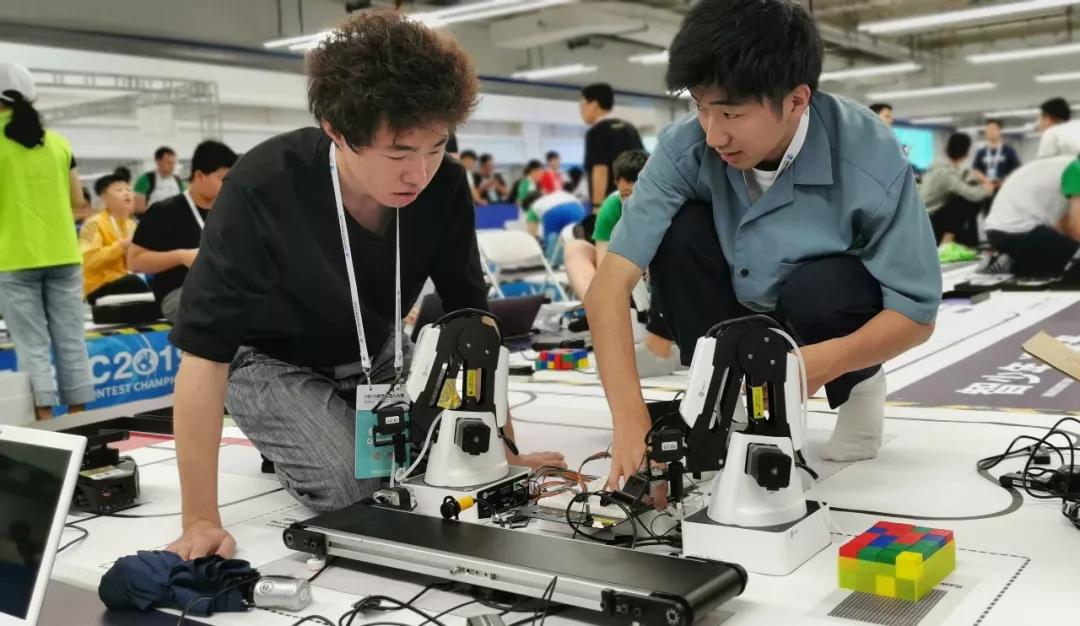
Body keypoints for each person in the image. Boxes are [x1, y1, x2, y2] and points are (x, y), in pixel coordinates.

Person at [164, 9, 563, 561]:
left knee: (444, 465)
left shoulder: (444, 185)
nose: (418, 173)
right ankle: (295, 436)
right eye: (398, 152)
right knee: (355, 490)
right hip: (269, 358)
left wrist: (503, 449)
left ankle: (324, 425)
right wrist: (200, 520)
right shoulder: (265, 186)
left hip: (378, 352)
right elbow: (203, 356)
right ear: (337, 130)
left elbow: (473, 323)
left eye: (435, 147)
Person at [585, 0, 940, 491]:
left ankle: (859, 386)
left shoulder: (870, 157)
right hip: (734, 296)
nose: (714, 134)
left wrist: (828, 360)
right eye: (701, 107)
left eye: (731, 112)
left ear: (796, 101)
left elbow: (916, 313)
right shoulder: (684, 148)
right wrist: (630, 418)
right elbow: (607, 287)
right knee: (678, 232)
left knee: (825, 286)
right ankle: (724, 393)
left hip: (822, 313)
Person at [0, 62, 94, 422]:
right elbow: (77, 199)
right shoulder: (59, 143)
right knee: (72, 340)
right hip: (64, 254)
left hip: (14, 257)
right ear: (32, 97)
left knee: (32, 345)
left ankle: (45, 421)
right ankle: (80, 419)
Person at [565, 149, 681, 377]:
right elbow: (605, 264)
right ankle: (599, 313)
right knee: (576, 248)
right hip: (626, 288)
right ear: (617, 186)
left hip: (662, 288)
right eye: (625, 194)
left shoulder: (668, 202)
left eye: (638, 193)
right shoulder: (611, 208)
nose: (632, 203)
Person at [127, 140, 238, 322]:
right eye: (222, 179)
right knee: (223, 307)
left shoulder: (231, 212)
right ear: (200, 176)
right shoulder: (164, 212)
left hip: (227, 290)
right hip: (181, 293)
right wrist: (181, 256)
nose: (228, 186)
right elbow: (135, 261)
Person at [985, 155, 1080, 277]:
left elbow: (1064, 225)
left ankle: (1012, 257)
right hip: (1018, 231)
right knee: (1073, 261)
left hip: (998, 232)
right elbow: (1077, 224)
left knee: (1066, 250)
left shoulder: (1066, 164)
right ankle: (1014, 264)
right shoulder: (1076, 170)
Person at [79, 172, 150, 304]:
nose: (127, 193)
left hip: (127, 279)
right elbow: (88, 261)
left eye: (129, 190)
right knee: (135, 283)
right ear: (104, 198)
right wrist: (121, 246)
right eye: (119, 190)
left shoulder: (131, 225)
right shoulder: (93, 224)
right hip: (99, 285)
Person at [580, 82, 645, 211]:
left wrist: (597, 207)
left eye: (582, 106)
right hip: (637, 199)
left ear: (594, 105)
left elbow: (600, 170)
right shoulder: (630, 128)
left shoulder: (597, 131)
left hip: (612, 204)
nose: (581, 111)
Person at [920, 133, 993, 246]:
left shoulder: (938, 166)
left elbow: (960, 174)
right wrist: (987, 189)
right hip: (929, 220)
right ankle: (946, 242)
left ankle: (961, 239)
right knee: (966, 201)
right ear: (966, 153)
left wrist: (976, 176)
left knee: (966, 199)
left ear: (946, 148)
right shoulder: (946, 173)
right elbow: (970, 193)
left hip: (927, 216)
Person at [133, 146, 186, 214]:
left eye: (174, 163)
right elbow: (137, 209)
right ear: (158, 162)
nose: (173, 166)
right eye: (169, 163)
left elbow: (184, 203)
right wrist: (161, 211)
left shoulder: (178, 181)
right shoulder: (145, 180)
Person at [973, 119, 1021, 186]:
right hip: (986, 188)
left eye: (993, 129)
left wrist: (1004, 180)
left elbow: (1017, 170)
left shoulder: (1009, 151)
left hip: (1004, 187)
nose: (990, 132)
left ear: (1000, 131)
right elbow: (976, 170)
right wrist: (985, 180)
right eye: (988, 130)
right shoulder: (981, 152)